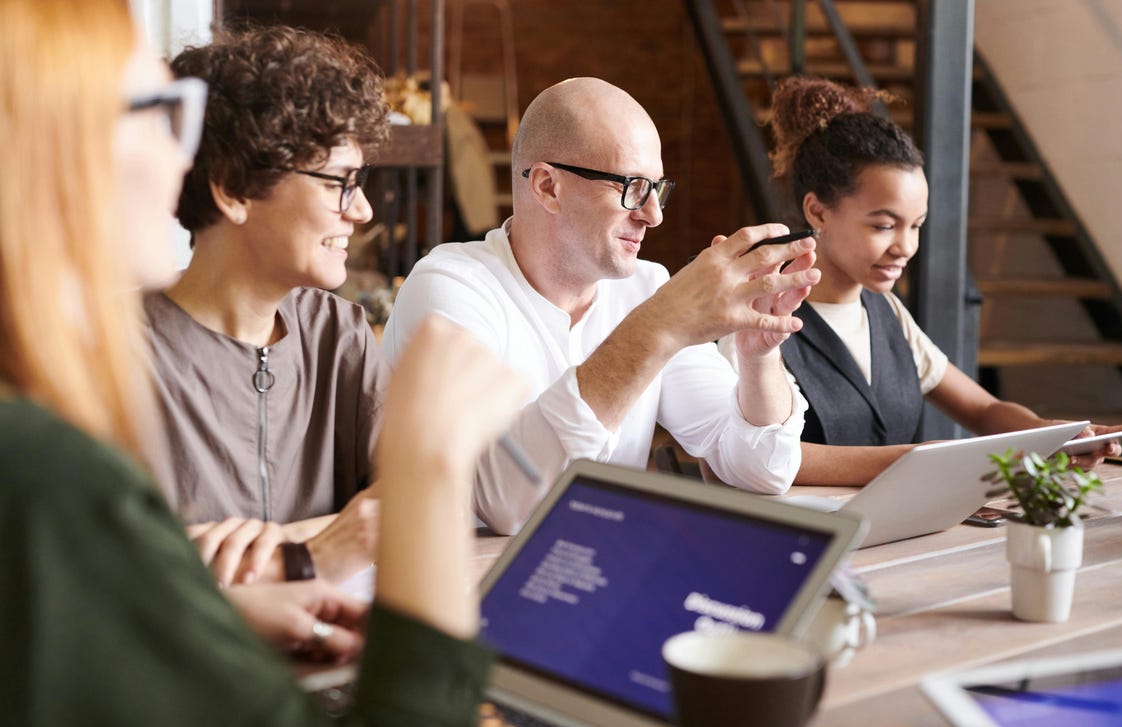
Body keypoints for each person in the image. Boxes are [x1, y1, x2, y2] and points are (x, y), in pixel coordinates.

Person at [0, 2, 526, 723]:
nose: (179, 153)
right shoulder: (68, 411)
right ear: (231, 188)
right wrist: (409, 479)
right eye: (158, 113)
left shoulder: (338, 332)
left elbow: (116, 598)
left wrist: (231, 597)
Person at [382, 77, 822, 535]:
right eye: (632, 186)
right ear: (548, 187)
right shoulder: (452, 287)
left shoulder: (648, 288)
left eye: (657, 188)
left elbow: (764, 471)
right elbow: (507, 502)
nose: (654, 215)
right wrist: (658, 326)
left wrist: (757, 356)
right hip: (466, 577)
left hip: (602, 566)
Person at [763, 76, 1122, 486]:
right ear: (817, 212)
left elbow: (983, 410)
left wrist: (1051, 434)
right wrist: (917, 460)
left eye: (916, 225)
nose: (905, 247)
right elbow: (759, 456)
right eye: (884, 225)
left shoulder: (885, 310)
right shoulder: (759, 315)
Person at [144, 26, 392, 586]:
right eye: (338, 182)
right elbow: (118, 570)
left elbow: (408, 505)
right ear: (233, 188)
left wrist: (275, 548)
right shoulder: (115, 355)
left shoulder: (339, 333)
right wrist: (320, 547)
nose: (363, 211)